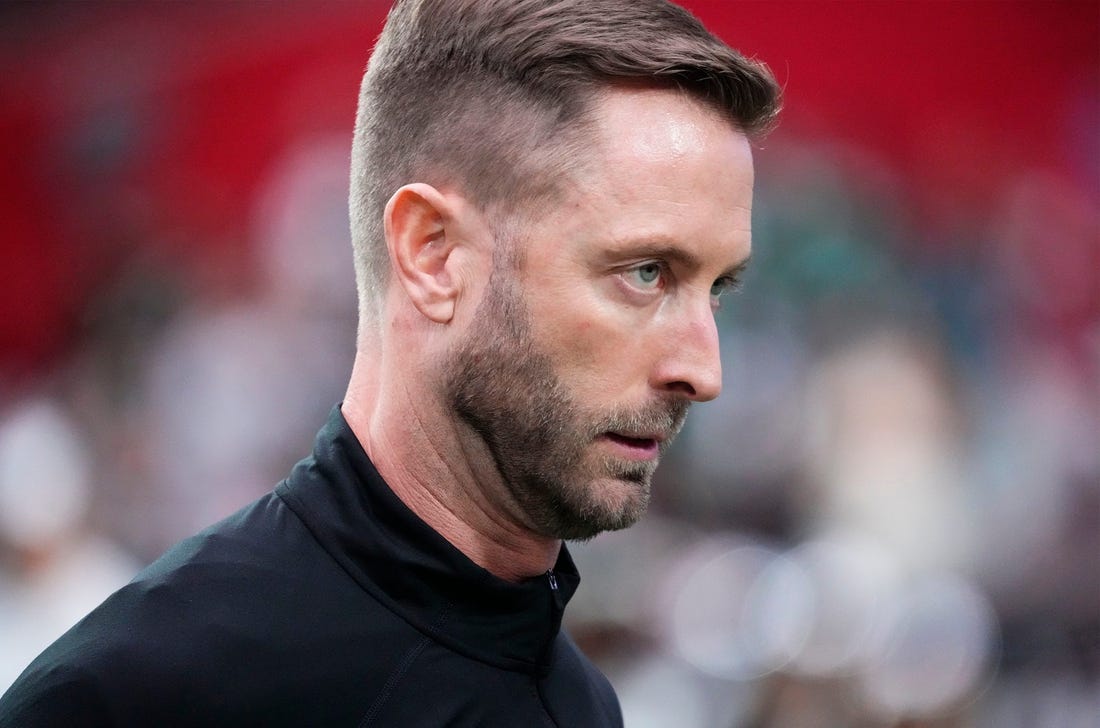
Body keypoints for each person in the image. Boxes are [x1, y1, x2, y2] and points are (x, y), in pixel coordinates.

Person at [0, 0, 779, 725]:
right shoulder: (135, 697)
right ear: (433, 255)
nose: (704, 374)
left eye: (719, 288)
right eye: (645, 272)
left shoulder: (581, 705)